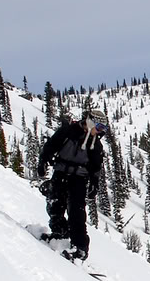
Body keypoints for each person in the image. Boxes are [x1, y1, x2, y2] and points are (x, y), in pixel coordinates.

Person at [36, 108, 109, 260]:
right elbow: (51, 146)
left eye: (103, 129)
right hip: (61, 173)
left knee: (77, 213)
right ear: (90, 122)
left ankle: (80, 248)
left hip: (79, 179)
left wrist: (94, 184)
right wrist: (43, 162)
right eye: (99, 127)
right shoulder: (68, 132)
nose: (100, 132)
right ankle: (59, 234)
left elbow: (95, 168)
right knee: (55, 204)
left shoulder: (96, 145)